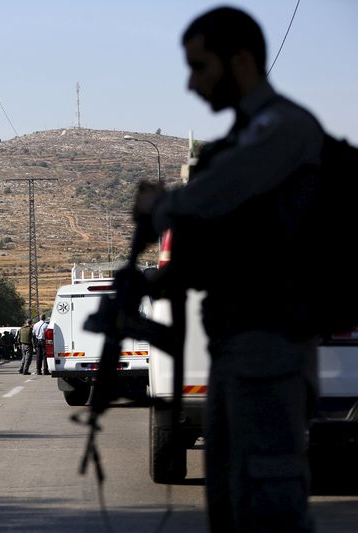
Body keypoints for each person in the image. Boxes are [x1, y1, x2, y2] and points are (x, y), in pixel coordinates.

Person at [134, 7, 321, 532]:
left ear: (239, 60)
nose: (192, 85)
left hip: (271, 351)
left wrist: (160, 209)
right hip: (234, 352)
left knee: (268, 506)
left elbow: (208, 198)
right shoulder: (240, 140)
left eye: (200, 67)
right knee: (232, 504)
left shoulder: (279, 129)